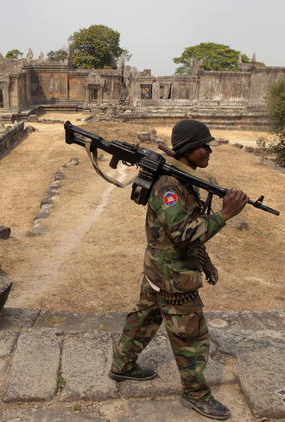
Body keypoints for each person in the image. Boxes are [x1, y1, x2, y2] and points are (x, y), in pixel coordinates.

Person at [108, 119, 249, 420]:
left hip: (160, 271)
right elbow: (183, 233)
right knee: (192, 336)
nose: (209, 151)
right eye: (203, 146)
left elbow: (189, 229)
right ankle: (195, 393)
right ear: (186, 150)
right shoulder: (169, 186)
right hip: (173, 278)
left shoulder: (183, 180)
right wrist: (225, 214)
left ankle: (122, 365)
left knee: (144, 317)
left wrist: (205, 262)